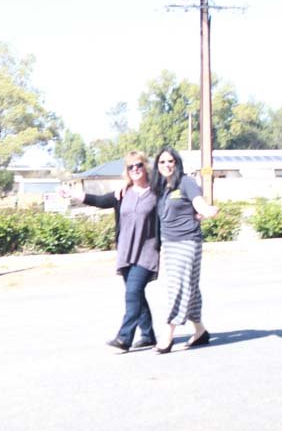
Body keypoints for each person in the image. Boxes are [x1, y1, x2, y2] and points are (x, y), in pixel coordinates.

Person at [61, 151, 159, 352]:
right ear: (127, 171)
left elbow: (170, 210)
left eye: (139, 165)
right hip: (126, 251)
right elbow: (98, 200)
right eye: (131, 167)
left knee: (132, 293)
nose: (135, 169)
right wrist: (72, 194)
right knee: (136, 294)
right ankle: (148, 335)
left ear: (145, 166)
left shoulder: (157, 193)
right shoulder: (122, 194)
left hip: (146, 252)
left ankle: (124, 338)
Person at [150, 147, 219, 353]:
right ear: (157, 166)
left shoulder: (186, 182)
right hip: (169, 243)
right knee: (190, 286)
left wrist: (207, 211)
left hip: (188, 241)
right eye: (162, 162)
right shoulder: (160, 188)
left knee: (177, 286)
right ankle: (200, 330)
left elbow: (199, 203)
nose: (166, 165)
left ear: (177, 163)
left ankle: (168, 335)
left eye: (170, 161)